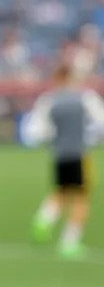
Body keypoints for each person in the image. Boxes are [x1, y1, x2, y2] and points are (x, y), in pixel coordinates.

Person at [22, 62, 104, 259]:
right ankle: (69, 242)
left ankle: (44, 219)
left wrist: (53, 139)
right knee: (81, 198)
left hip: (59, 154)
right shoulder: (85, 98)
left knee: (62, 191)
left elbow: (36, 132)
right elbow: (101, 122)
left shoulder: (49, 100)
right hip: (79, 153)